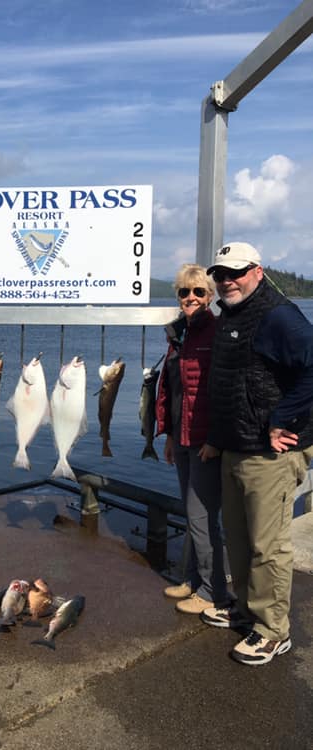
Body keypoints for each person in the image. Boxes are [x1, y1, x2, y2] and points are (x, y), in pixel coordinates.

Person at [200, 241, 313, 665]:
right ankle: (246, 609)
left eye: (237, 272)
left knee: (269, 545)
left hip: (270, 453)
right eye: (221, 274)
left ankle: (272, 631)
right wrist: (216, 435)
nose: (227, 280)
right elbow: (228, 383)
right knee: (241, 538)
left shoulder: (278, 315)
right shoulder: (231, 314)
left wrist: (283, 417)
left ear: (258, 271)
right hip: (234, 446)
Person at [156, 264, 229, 614]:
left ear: (210, 297)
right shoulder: (178, 337)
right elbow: (172, 390)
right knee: (190, 512)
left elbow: (222, 393)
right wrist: (169, 436)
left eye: (198, 292)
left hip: (205, 442)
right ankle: (191, 579)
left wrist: (215, 439)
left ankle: (214, 591)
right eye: (184, 292)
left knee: (202, 518)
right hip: (182, 438)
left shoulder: (216, 333)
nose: (191, 298)